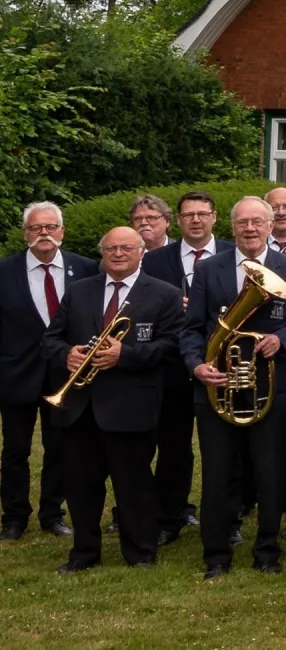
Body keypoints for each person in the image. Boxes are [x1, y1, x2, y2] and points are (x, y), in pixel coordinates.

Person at [181, 196, 286, 580]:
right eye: (243, 223)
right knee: (217, 473)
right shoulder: (208, 270)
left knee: (270, 472)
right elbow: (191, 328)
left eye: (258, 221)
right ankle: (216, 555)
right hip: (218, 385)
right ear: (232, 226)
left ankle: (267, 551)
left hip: (270, 387)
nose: (250, 229)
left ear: (271, 224)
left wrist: (283, 340)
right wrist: (197, 364)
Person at [42, 227, 184, 573]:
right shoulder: (79, 291)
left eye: (125, 248)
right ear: (102, 253)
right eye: (110, 249)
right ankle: (84, 552)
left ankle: (140, 551)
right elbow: (51, 338)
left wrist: (127, 355)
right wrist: (67, 355)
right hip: (80, 406)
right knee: (81, 486)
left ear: (141, 253)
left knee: (133, 484)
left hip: (131, 405)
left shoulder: (164, 294)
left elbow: (172, 345)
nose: (118, 254)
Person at [140, 191, 234, 545]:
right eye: (188, 214)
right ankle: (171, 516)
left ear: (214, 217)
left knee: (228, 448)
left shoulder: (232, 254)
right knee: (173, 445)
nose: (196, 220)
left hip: (223, 364)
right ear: (177, 220)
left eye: (202, 213)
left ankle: (229, 518)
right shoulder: (154, 260)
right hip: (171, 367)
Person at [0, 202, 96, 540]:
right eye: (37, 228)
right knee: (15, 451)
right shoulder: (4, 271)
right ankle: (13, 517)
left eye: (51, 227)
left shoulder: (85, 269)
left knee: (61, 447)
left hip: (66, 375)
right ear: (26, 233)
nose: (45, 234)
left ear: (62, 232)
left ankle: (52, 513)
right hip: (15, 376)